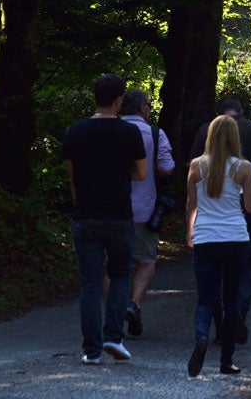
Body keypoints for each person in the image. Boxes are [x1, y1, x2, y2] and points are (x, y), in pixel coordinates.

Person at [61, 73, 147, 365]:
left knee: (89, 283)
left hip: (85, 214)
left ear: (95, 97)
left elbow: (72, 176)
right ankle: (114, 335)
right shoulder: (129, 133)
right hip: (119, 213)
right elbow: (141, 173)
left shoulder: (74, 132)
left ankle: (91, 350)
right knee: (121, 274)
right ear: (119, 100)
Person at [191, 98, 251, 344]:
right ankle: (239, 308)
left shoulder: (204, 131)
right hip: (247, 218)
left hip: (210, 220)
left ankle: (223, 327)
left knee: (216, 275)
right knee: (250, 267)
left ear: (216, 114)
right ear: (242, 111)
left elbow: (192, 181)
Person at [186, 115, 251, 377]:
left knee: (206, 299)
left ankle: (202, 336)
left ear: (210, 136)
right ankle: (226, 361)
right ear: (234, 138)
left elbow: (191, 205)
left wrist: (190, 232)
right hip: (236, 239)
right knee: (230, 299)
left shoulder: (196, 166)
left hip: (206, 238)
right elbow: (249, 207)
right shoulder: (243, 167)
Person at [120, 88, 175, 337]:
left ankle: (116, 309)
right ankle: (134, 303)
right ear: (143, 109)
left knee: (112, 265)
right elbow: (166, 168)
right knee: (147, 260)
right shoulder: (154, 133)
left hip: (110, 209)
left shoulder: (109, 130)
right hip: (145, 207)